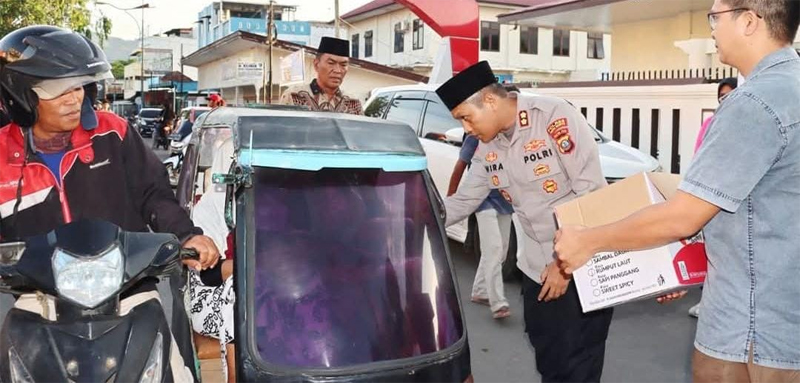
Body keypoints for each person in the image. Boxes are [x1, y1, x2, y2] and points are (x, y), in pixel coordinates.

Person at [554, 1, 800, 381]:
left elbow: (685, 215)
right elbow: (763, 212)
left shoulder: (754, 103)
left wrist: (588, 240)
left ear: (749, 21)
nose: (712, 29)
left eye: (715, 17)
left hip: (751, 334)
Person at [0, 25, 221, 382]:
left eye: (80, 87)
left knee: (177, 374)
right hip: (39, 304)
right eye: (59, 91)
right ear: (20, 95)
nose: (75, 100)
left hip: (128, 294)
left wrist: (187, 235)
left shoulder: (113, 132)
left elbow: (154, 194)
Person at [438, 61, 612, 382]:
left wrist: (563, 265)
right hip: (535, 270)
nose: (466, 128)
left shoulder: (553, 117)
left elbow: (590, 194)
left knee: (577, 366)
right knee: (549, 360)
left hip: (578, 270)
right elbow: (464, 200)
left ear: (489, 101)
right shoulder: (487, 145)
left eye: (466, 117)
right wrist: (415, 221)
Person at [448, 133, 515, 319]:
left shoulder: (512, 136)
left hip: (505, 201)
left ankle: (480, 291)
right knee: (493, 249)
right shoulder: (476, 135)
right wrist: (451, 198)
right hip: (482, 201)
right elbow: (460, 166)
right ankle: (498, 302)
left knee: (500, 251)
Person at [688, 76, 738, 318]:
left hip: (726, 200)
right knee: (708, 251)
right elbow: (699, 156)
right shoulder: (710, 123)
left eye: (729, 95)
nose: (723, 100)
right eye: (721, 96)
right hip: (707, 194)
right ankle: (704, 299)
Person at [279, 37, 363, 115]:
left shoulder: (353, 103)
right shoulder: (294, 96)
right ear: (316, 64)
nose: (337, 70)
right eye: (331, 63)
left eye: (343, 65)